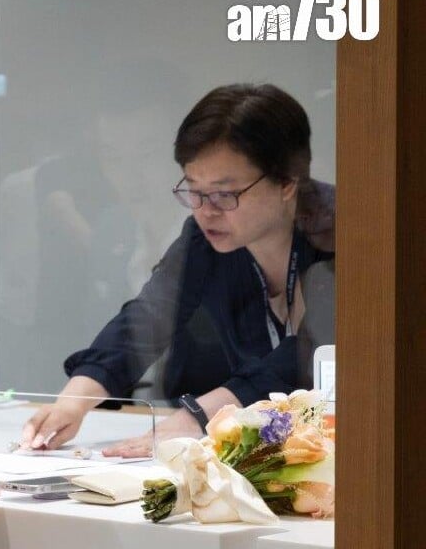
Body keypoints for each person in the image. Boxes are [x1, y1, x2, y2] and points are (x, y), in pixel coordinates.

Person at [21, 83, 335, 457]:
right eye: (194, 190)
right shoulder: (206, 240)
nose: (205, 211)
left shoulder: (343, 233)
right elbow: (148, 316)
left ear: (286, 182)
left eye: (224, 194)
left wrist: (197, 416)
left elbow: (317, 352)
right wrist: (74, 401)